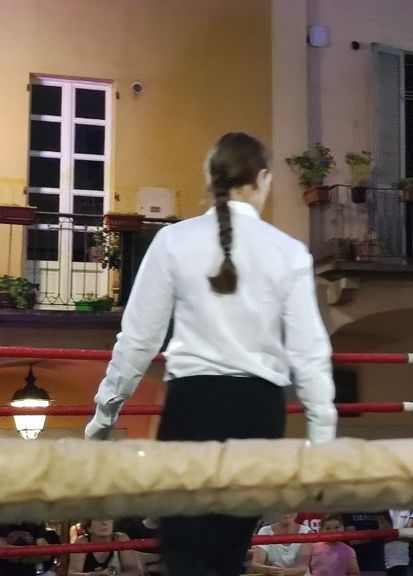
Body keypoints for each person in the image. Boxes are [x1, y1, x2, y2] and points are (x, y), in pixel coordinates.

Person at [84, 132, 339, 576]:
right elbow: (310, 353)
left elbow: (139, 340)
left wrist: (104, 417)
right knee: (226, 556)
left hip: (193, 406)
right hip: (260, 412)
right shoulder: (289, 253)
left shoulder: (173, 241)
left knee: (186, 558)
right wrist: (322, 443)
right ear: (263, 179)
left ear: (211, 179)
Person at [68, 519, 143, 576]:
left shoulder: (120, 538)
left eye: (108, 518)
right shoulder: (82, 541)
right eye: (98, 519)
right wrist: (92, 575)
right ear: (89, 527)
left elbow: (133, 571)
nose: (104, 523)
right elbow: (72, 573)